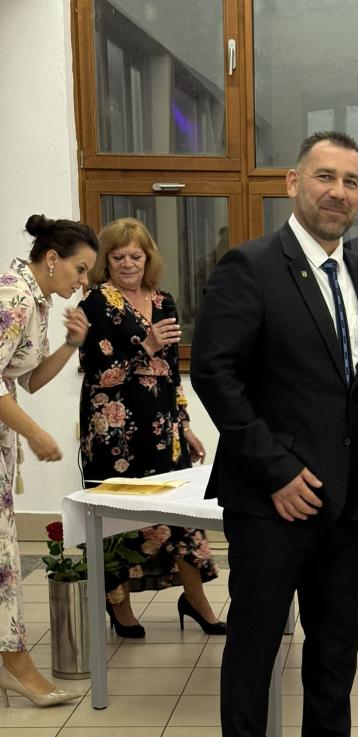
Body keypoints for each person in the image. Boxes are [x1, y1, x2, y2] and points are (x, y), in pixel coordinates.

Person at [192, 130, 358, 737]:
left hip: (343, 498)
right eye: (325, 177)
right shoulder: (249, 266)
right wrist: (276, 469)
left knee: (337, 637)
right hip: (269, 498)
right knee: (256, 642)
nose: (339, 192)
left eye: (351, 181)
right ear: (292, 182)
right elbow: (215, 374)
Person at [79, 218, 224, 638]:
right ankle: (119, 606)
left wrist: (185, 424)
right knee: (118, 519)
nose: (128, 264)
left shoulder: (163, 300)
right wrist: (146, 346)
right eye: (118, 257)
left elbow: (172, 372)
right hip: (113, 431)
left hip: (162, 426)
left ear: (148, 258)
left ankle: (195, 600)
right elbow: (96, 372)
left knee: (179, 515)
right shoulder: (95, 303)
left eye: (136, 256)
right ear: (106, 261)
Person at [0, 214, 97, 707]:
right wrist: (35, 433)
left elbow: (30, 380)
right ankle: (15, 664)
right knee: (3, 558)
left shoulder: (36, 301)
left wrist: (72, 344)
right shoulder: (14, 297)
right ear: (53, 259)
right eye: (80, 270)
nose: (83, 282)